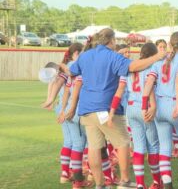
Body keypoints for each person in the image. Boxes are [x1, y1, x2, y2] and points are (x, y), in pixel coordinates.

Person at [63, 28, 166, 189]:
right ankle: (124, 180)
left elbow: (72, 71)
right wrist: (157, 57)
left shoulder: (85, 55)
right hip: (105, 107)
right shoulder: (112, 56)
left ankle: (100, 184)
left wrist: (62, 68)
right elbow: (133, 66)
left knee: (94, 148)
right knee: (123, 142)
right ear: (111, 41)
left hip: (86, 109)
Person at [141, 31, 178, 189]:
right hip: (173, 105)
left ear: (170, 43)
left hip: (160, 108)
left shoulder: (160, 59)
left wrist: (144, 106)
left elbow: (148, 83)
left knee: (164, 147)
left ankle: (168, 185)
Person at [114, 43, 162, 189]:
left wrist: (112, 110)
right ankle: (156, 182)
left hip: (131, 108)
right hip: (144, 107)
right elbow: (150, 88)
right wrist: (151, 105)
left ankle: (140, 183)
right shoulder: (151, 66)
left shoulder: (130, 67)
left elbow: (120, 89)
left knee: (139, 147)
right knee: (153, 146)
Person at [57, 43, 93, 189]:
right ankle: (81, 178)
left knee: (71, 142)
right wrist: (70, 108)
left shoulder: (69, 67)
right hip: (79, 110)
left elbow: (65, 88)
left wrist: (62, 109)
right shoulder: (83, 66)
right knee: (85, 144)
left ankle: (68, 173)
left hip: (67, 108)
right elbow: (76, 87)